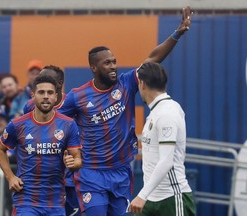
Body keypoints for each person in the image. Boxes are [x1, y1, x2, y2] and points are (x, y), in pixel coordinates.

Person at [59, 6, 192, 215]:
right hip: (91, 173)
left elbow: (152, 59)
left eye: (114, 62)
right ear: (93, 68)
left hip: (121, 171)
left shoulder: (126, 84)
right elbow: (58, 123)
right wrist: (70, 152)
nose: (113, 66)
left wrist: (177, 33)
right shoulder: (78, 96)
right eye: (106, 63)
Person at [0, 75, 82, 216]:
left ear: (56, 96)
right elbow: (0, 149)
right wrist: (10, 177)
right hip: (26, 201)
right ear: (33, 95)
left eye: (50, 93)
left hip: (55, 201)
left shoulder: (68, 124)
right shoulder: (18, 125)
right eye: (41, 92)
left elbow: (77, 159)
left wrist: (73, 163)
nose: (46, 96)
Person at [128, 62, 196, 215]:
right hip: (150, 199)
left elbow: (166, 161)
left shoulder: (167, 112)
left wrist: (141, 195)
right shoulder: (156, 111)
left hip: (171, 199)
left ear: (142, 84)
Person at [23, 65, 81, 216]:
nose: (44, 83)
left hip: (69, 180)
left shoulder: (74, 104)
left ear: (59, 85)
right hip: (40, 183)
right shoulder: (30, 106)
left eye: (50, 81)